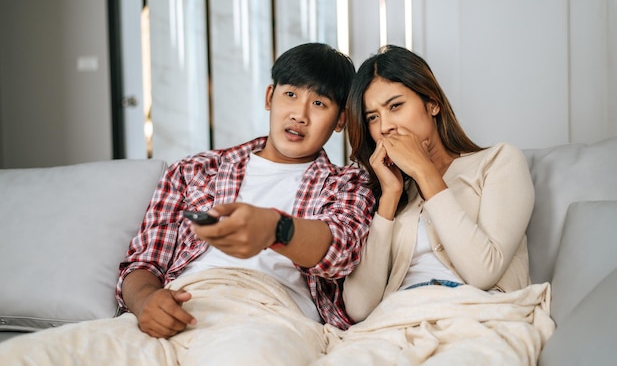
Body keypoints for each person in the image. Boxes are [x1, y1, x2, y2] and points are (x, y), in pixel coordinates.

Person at [0, 43, 375, 366]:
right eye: (290, 94)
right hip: (183, 301)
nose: (299, 114)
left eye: (319, 103)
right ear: (269, 97)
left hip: (271, 314)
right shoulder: (196, 170)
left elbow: (339, 251)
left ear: (340, 119)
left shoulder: (347, 183)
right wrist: (146, 302)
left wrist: (274, 228)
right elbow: (143, 262)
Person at [312, 45, 553, 366]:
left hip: (475, 317)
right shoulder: (389, 191)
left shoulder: (498, 162)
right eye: (373, 117)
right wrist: (390, 196)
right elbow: (359, 307)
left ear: (433, 104)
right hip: (393, 323)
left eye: (395, 106)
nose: (384, 127)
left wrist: (426, 173)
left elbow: (483, 272)